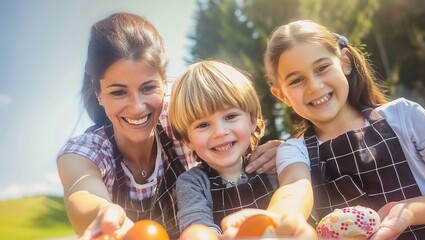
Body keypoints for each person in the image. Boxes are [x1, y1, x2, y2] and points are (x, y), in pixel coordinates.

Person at [56, 12, 281, 239]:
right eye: (118, 92)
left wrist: (281, 152)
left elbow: (232, 117)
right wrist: (104, 213)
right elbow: (81, 192)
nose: (137, 107)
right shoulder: (85, 152)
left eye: (147, 88)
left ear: (164, 82)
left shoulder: (184, 111)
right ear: (98, 94)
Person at [260, 19, 425, 240]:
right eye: (296, 80)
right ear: (282, 96)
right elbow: (293, 189)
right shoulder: (294, 151)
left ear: (345, 62)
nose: (314, 86)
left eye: (322, 68)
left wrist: (407, 213)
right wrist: (276, 223)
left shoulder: (404, 116)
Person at [168, 60, 279, 235]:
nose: (219, 132)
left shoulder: (271, 165)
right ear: (187, 139)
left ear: (252, 120)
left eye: (230, 116)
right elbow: (197, 228)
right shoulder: (192, 183)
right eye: (203, 125)